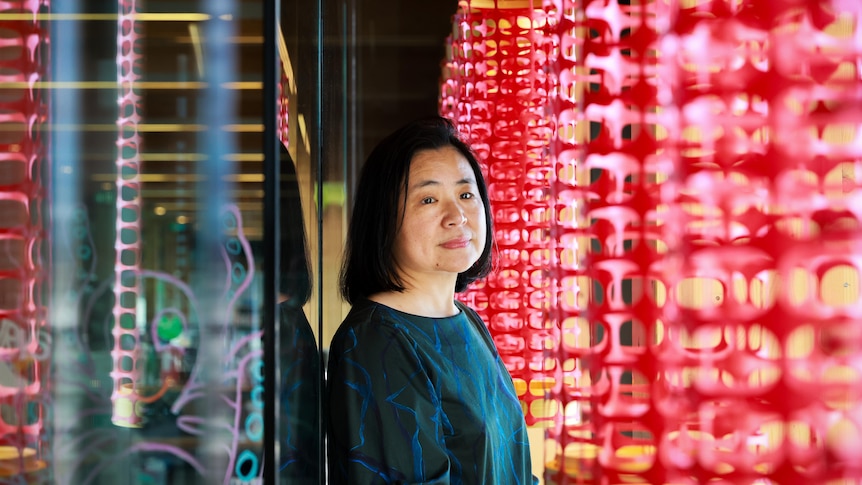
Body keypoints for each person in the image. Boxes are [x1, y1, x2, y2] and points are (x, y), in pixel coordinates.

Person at [327, 116, 537, 484]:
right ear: (383, 219)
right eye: (428, 199)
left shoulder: (468, 322)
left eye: (466, 194)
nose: (457, 216)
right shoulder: (378, 341)